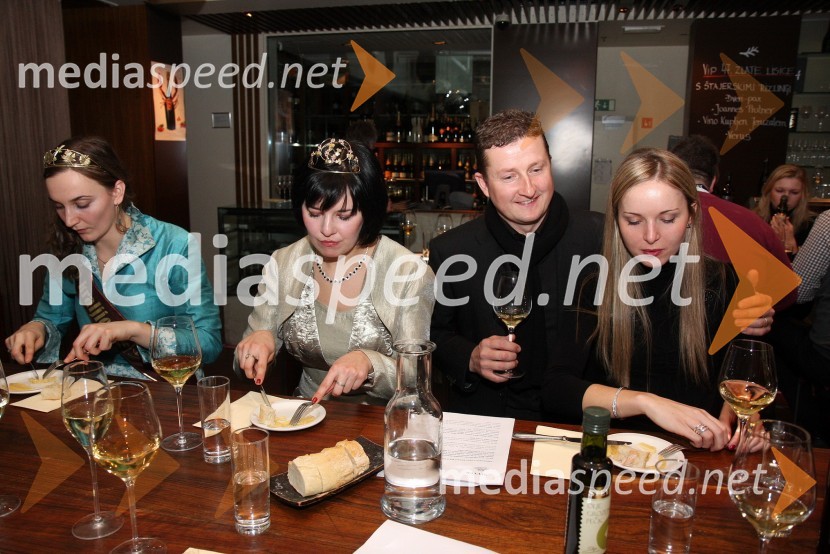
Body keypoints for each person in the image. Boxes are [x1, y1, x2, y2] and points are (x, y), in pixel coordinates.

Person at [548, 148, 773, 451]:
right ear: (615, 218)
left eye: (667, 219)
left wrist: (745, 418)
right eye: (633, 220)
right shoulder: (592, 282)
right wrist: (646, 403)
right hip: (615, 452)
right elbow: (556, 389)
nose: (651, 236)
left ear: (692, 214)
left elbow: (741, 377)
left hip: (696, 456)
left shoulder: (724, 281)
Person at [428, 109, 605, 420]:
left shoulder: (600, 238)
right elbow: (435, 335)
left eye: (536, 169)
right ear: (483, 185)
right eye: (509, 176)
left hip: (579, 422)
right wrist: (470, 357)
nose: (528, 188)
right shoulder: (452, 251)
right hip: (488, 420)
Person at [235, 138, 434, 404]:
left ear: (369, 211)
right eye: (315, 213)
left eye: (344, 216)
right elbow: (242, 366)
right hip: (306, 414)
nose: (326, 229)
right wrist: (256, 346)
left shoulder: (408, 273)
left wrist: (371, 364)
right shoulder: (284, 263)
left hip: (382, 420)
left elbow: (416, 377)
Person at [5, 136, 222, 379]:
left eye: (82, 204)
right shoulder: (66, 245)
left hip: (167, 389)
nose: (69, 220)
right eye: (58, 206)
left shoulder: (174, 244)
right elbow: (51, 317)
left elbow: (208, 341)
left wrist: (131, 330)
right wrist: (35, 329)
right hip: (94, 390)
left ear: (117, 192)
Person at [670, 135, 795, 310]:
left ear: (670, 175)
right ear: (714, 180)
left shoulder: (648, 219)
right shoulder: (753, 222)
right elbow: (786, 293)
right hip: (731, 330)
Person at [772, 210, 830, 443]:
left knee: (765, 328)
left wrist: (790, 249)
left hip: (825, 356)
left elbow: (796, 291)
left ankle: (806, 431)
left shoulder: (827, 222)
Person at [753, 164, 816, 256]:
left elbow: (810, 269)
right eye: (779, 190)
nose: (785, 197)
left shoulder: (812, 225)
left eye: (794, 192)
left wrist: (792, 248)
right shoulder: (753, 219)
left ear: (803, 195)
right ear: (769, 191)